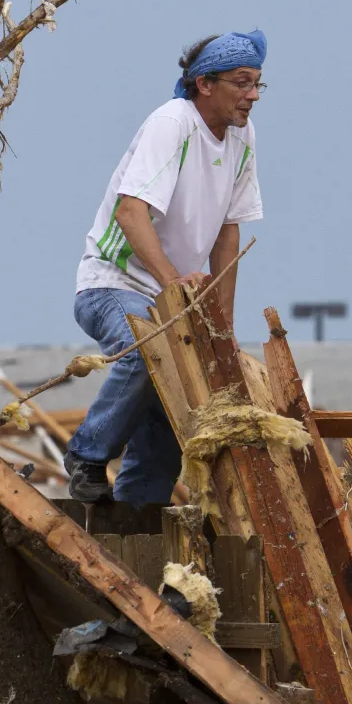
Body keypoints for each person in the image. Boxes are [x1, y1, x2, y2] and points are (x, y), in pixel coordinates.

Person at [65, 30, 266, 504]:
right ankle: (87, 455)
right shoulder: (171, 123)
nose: (253, 96)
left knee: (172, 398)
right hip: (111, 283)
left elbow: (228, 232)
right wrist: (174, 281)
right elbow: (130, 212)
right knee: (146, 350)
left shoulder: (242, 136)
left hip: (166, 296)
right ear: (204, 84)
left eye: (258, 84)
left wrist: (223, 326)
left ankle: (138, 509)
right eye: (242, 83)